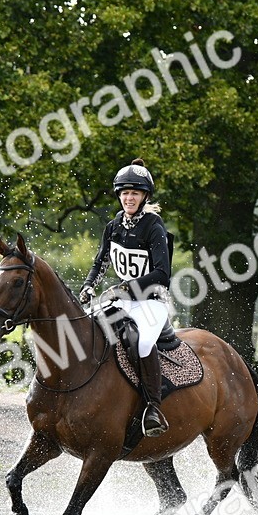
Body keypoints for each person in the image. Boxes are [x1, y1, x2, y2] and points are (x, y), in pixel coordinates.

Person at [78, 158, 173, 437]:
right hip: (123, 300)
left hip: (151, 302)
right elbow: (100, 263)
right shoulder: (114, 226)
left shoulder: (153, 227)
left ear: (144, 197)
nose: (129, 198)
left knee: (141, 341)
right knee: (90, 328)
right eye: (124, 193)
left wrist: (125, 288)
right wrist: (88, 285)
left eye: (134, 193)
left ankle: (154, 408)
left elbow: (162, 274)